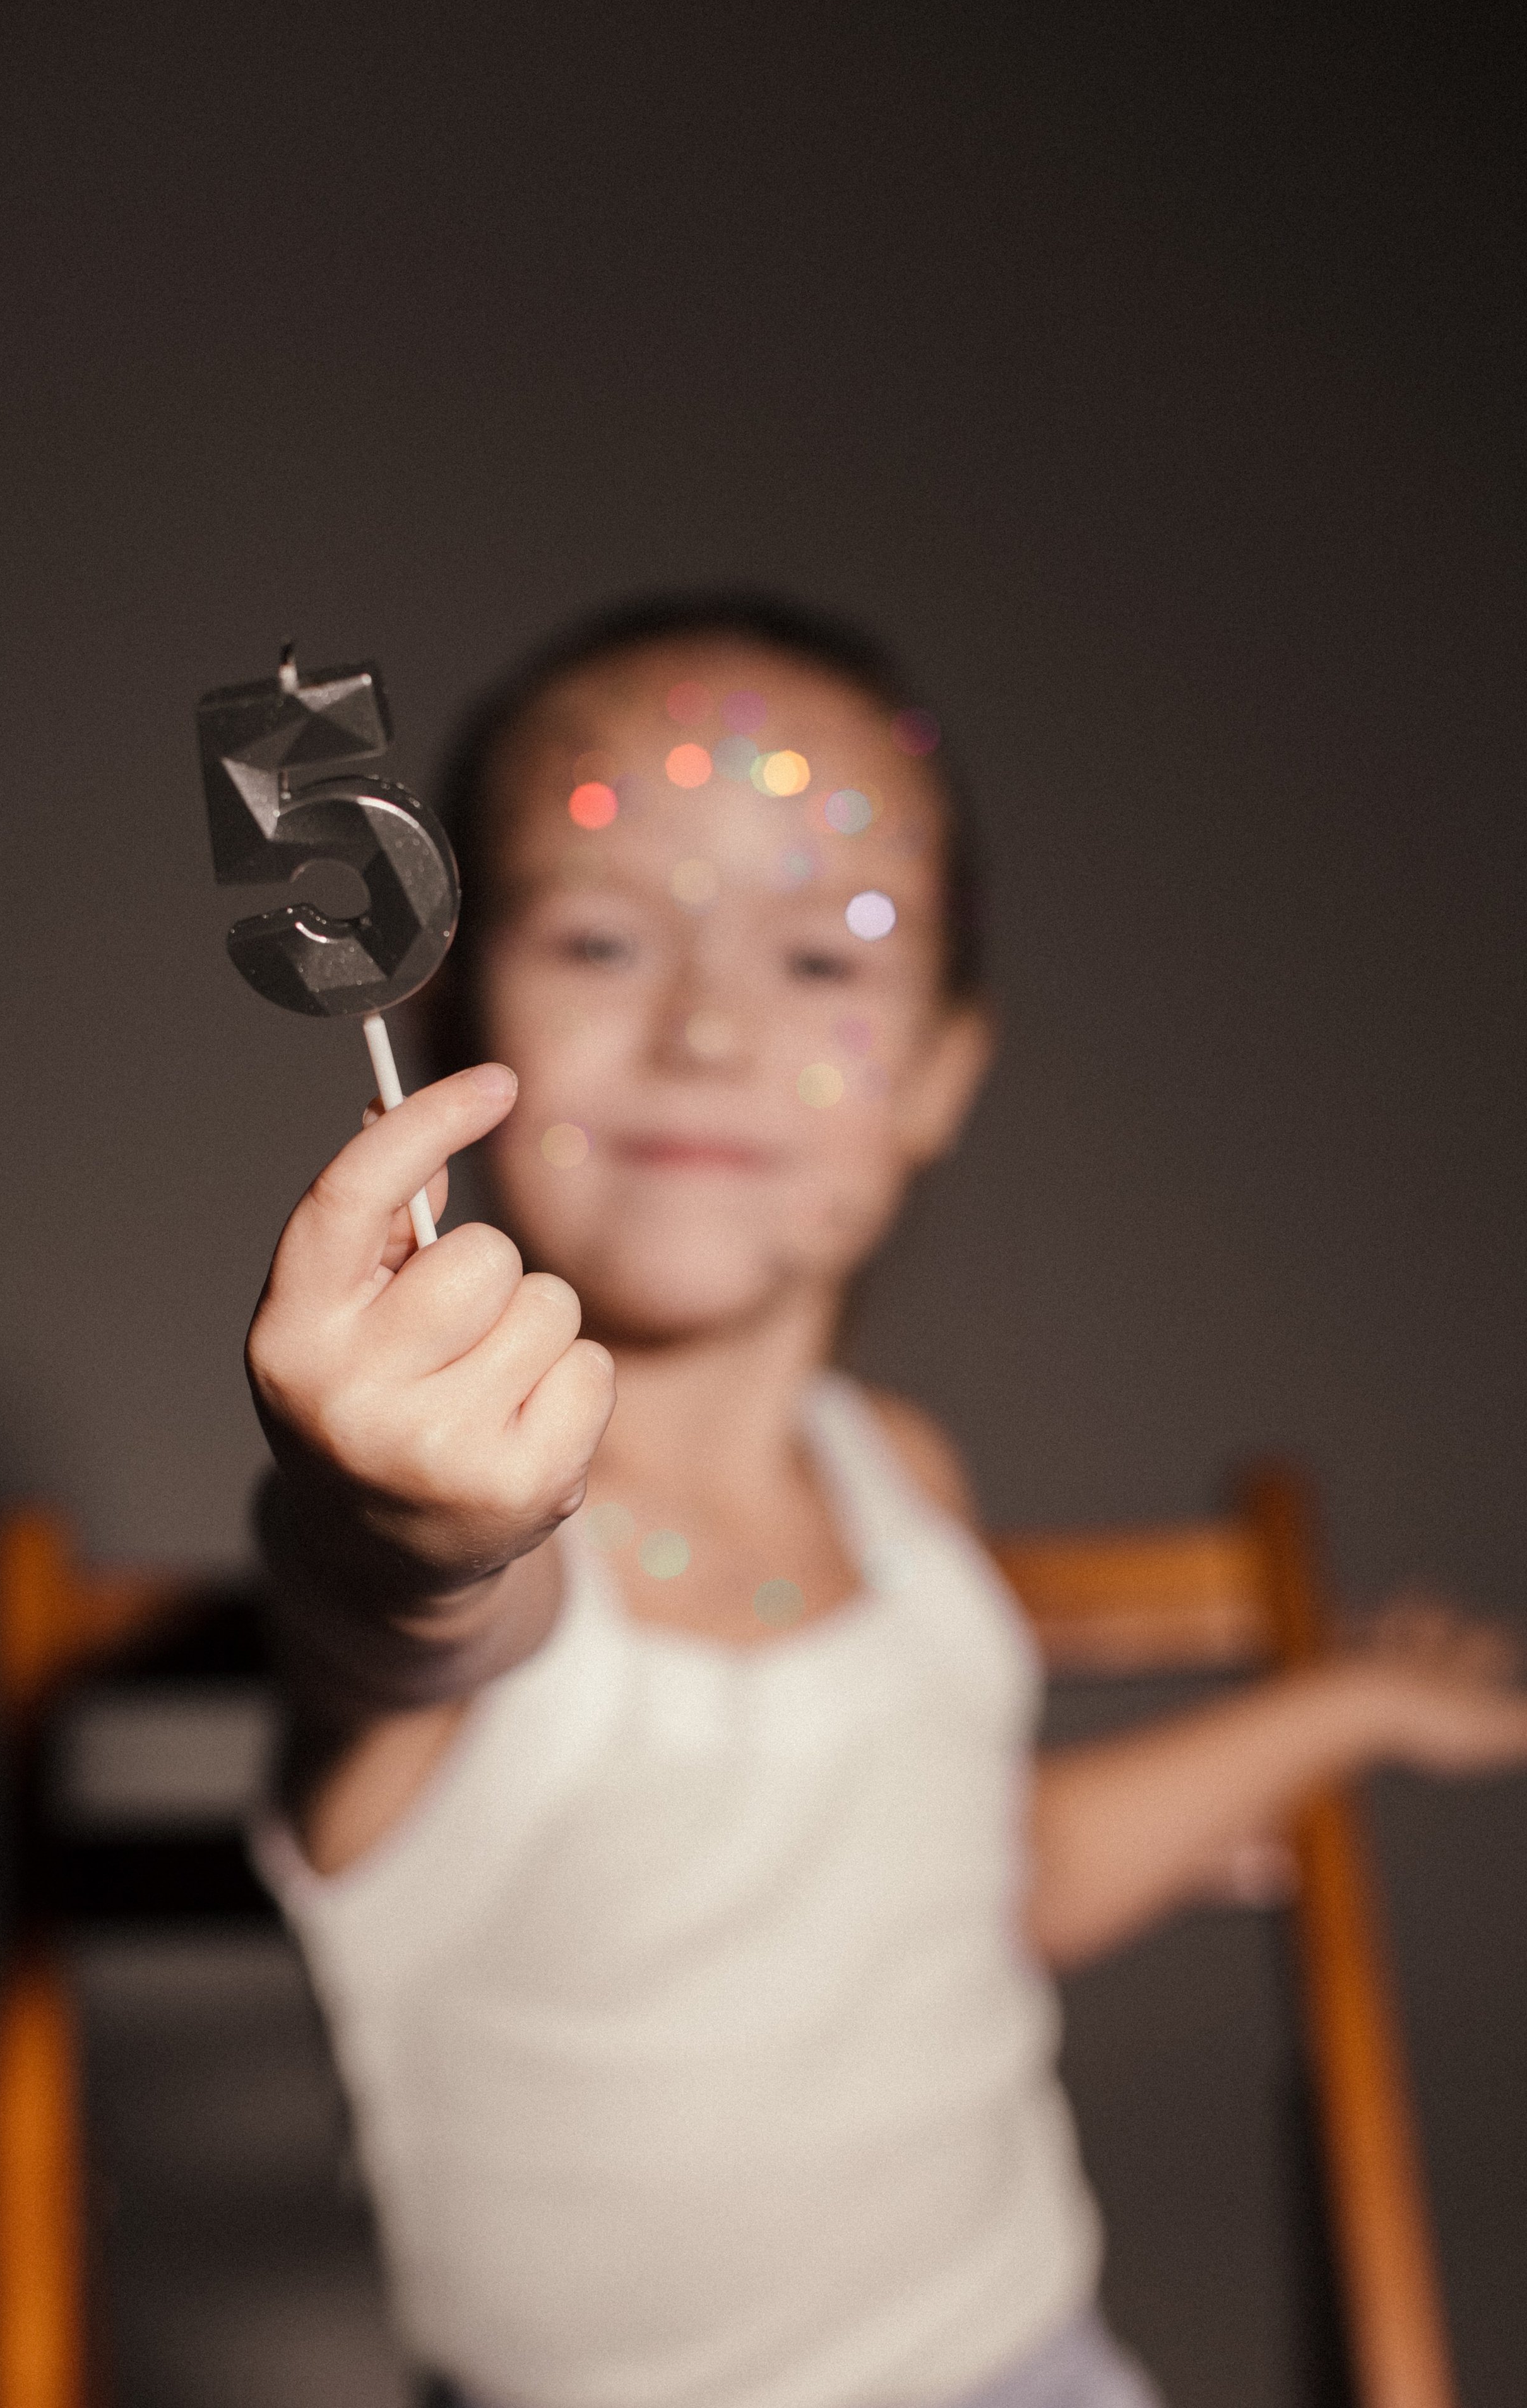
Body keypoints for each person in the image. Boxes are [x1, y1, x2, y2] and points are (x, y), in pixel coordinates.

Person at [247, 593, 1527, 2408]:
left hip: (1036, 2361)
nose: (706, 1029)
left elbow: (997, 1874)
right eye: (606, 939)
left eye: (827, 956)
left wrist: (1352, 1703)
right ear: (451, 1015)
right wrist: (411, 1526)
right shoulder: (478, 1540)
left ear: (939, 1075)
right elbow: (406, 1624)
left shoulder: (900, 1479)